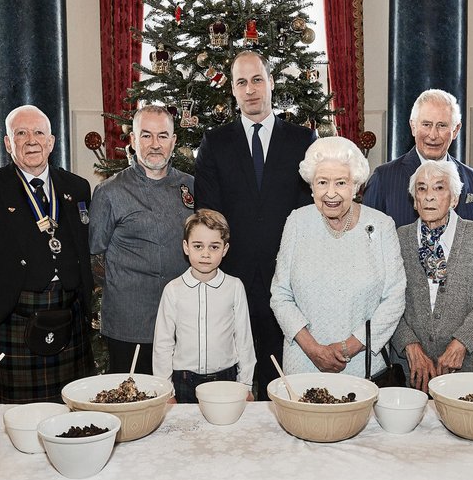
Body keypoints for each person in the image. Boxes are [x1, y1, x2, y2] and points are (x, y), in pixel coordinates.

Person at [195, 50, 315, 399]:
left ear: (271, 83)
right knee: (237, 379)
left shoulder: (302, 141)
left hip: (288, 281)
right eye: (241, 82)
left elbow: (310, 211)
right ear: (232, 90)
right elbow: (209, 212)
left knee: (283, 380)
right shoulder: (215, 143)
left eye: (257, 79)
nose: (250, 90)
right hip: (233, 278)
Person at [0, 105, 94, 403]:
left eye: (39, 132)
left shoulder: (77, 187)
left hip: (69, 319)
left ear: (52, 142)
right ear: (8, 143)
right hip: (10, 321)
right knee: (11, 420)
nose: (31, 140)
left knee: (73, 412)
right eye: (21, 133)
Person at [270, 137, 406, 379]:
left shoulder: (382, 225)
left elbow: (394, 299)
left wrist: (347, 348)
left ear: (355, 186)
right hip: (303, 363)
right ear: (311, 186)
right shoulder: (297, 222)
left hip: (363, 366)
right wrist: (313, 350)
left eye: (341, 183)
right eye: (322, 182)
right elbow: (280, 294)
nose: (330, 193)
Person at [89, 105, 194, 375]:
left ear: (174, 141)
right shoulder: (109, 192)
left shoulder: (192, 187)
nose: (155, 145)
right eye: (146, 136)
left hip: (182, 322)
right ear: (133, 141)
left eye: (162, 136)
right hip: (129, 322)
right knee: (132, 402)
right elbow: (94, 257)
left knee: (181, 405)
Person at [391, 160, 473, 391]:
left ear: (454, 199)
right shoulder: (398, 239)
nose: (429, 196)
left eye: (439, 188)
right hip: (414, 372)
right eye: (422, 189)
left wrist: (461, 342)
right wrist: (409, 345)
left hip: (471, 368)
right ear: (414, 200)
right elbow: (386, 303)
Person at [152, 209, 255, 403]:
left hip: (227, 381)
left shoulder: (234, 287)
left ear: (224, 249)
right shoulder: (173, 289)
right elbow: (163, 345)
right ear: (186, 247)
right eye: (198, 246)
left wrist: (246, 385)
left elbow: (244, 340)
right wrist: (166, 391)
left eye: (214, 247)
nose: (206, 254)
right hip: (184, 382)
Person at [362, 89, 473, 228]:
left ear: (455, 130)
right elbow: (366, 240)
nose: (433, 135)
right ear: (413, 127)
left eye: (442, 125)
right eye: (426, 124)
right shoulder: (384, 178)